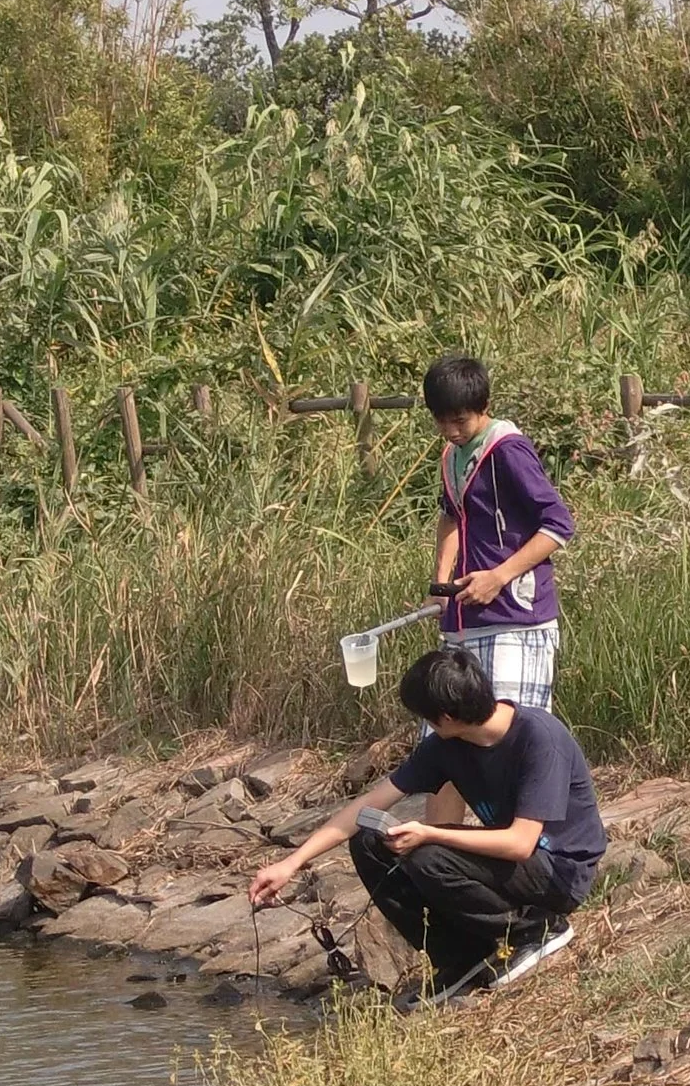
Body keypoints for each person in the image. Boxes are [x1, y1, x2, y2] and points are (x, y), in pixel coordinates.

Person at [248, 647, 607, 1003]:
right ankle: (460, 957)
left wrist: (430, 833)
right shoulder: (446, 746)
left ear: (446, 717)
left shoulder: (540, 738)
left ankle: (537, 929)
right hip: (517, 863)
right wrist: (290, 864)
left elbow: (520, 843)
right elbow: (365, 806)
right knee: (369, 840)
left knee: (427, 856)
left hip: (559, 871)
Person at [424, 354, 574, 711]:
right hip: (465, 620)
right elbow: (451, 517)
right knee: (450, 732)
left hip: (516, 620)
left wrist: (498, 577)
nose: (451, 431)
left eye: (459, 421)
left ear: (484, 407)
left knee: (511, 734)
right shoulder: (452, 456)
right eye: (441, 422)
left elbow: (558, 524)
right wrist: (440, 586)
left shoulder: (508, 450)